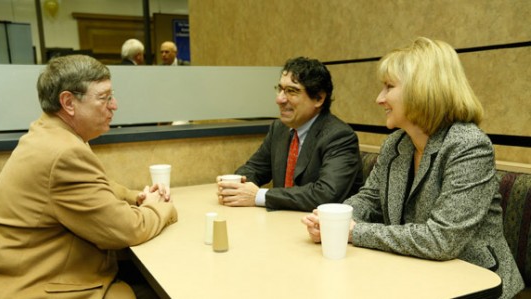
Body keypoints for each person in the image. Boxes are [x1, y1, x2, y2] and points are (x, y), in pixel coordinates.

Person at [301, 37, 525, 298]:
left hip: (475, 284)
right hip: (416, 272)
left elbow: (442, 240)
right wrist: (336, 220)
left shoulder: (468, 146)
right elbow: (369, 198)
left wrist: (353, 231)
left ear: (422, 89)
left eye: (388, 87)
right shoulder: (396, 144)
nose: (379, 99)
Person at [0, 55, 177, 299]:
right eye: (104, 97)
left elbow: (99, 186)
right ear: (68, 102)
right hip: (26, 288)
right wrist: (162, 208)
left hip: (17, 277)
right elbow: (126, 230)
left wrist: (137, 197)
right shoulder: (64, 152)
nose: (114, 104)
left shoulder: (50, 133)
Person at [217, 56, 364, 212]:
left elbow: (326, 194)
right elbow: (254, 168)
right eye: (280, 89)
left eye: (291, 91)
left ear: (319, 98)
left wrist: (259, 196)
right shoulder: (279, 128)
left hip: (321, 229)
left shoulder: (339, 136)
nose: (279, 99)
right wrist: (236, 185)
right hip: (282, 223)